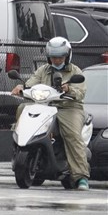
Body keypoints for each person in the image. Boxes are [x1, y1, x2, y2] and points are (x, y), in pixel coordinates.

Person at [11, 37, 90, 190]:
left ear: (67, 56)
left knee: (72, 135)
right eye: (54, 57)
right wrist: (22, 87)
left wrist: (69, 89)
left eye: (60, 56)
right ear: (49, 56)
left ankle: (81, 176)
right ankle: (22, 141)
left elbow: (80, 92)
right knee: (23, 108)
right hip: (45, 106)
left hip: (68, 108)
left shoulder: (75, 71)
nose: (57, 59)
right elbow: (31, 82)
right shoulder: (43, 70)